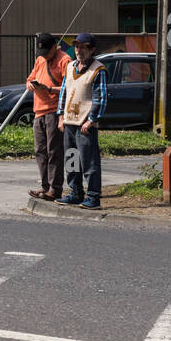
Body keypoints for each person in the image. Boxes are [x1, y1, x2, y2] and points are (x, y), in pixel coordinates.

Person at [55, 32, 107, 210]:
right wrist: (60, 116)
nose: (79, 51)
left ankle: (93, 197)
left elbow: (101, 98)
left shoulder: (98, 70)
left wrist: (91, 120)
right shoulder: (70, 67)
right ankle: (75, 193)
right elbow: (64, 92)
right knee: (71, 159)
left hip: (85, 124)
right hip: (69, 121)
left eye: (83, 47)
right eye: (77, 47)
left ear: (92, 50)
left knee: (89, 161)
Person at [26, 32, 69, 201]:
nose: (43, 56)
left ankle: (55, 189)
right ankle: (44, 186)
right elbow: (30, 78)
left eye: (46, 53)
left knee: (54, 152)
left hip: (54, 111)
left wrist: (48, 89)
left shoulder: (65, 60)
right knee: (40, 151)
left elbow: (68, 88)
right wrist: (30, 84)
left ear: (54, 47)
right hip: (39, 111)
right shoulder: (40, 60)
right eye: (40, 53)